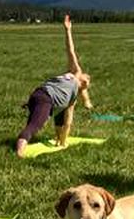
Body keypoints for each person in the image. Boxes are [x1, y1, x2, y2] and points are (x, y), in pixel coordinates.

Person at [15, 15, 93, 157]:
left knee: (37, 122)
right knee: (34, 126)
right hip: (44, 96)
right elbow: (71, 50)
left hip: (43, 99)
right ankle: (19, 152)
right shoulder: (75, 73)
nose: (87, 77)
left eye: (88, 81)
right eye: (87, 76)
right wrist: (67, 30)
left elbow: (65, 122)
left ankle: (24, 142)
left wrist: (61, 141)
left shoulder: (71, 99)